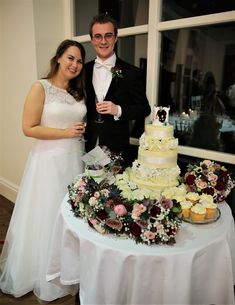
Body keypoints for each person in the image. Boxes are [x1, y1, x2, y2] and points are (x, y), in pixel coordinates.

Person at [0, 40, 86, 303]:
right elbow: (28, 127)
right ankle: (43, 274)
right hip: (48, 162)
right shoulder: (41, 87)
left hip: (75, 160)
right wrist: (64, 132)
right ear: (59, 57)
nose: (75, 64)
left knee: (69, 217)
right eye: (70, 58)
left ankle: (68, 268)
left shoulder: (77, 92)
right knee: (47, 215)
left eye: (80, 61)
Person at [84, 13, 151, 166]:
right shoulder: (83, 71)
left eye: (108, 36)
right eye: (98, 36)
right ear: (92, 39)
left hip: (117, 148)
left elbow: (144, 109)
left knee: (113, 189)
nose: (103, 41)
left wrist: (118, 110)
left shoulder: (132, 72)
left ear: (115, 38)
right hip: (87, 145)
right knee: (87, 187)